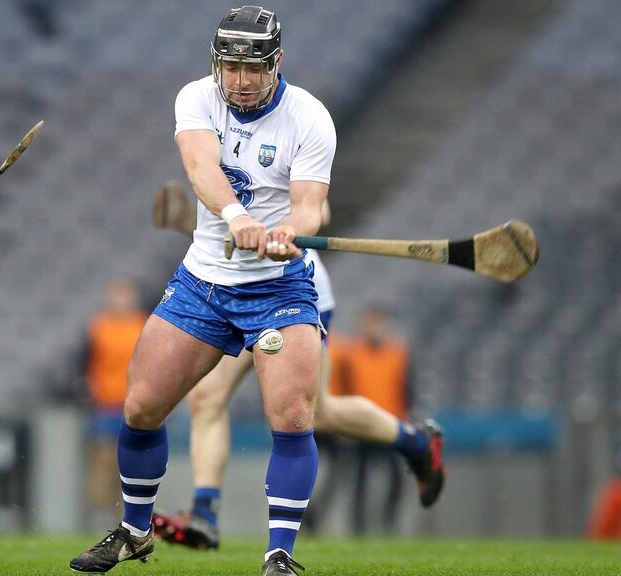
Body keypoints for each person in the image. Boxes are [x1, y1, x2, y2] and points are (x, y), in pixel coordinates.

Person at [72, 7, 333, 574]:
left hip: (278, 288)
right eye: (229, 65)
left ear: (277, 63)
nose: (239, 80)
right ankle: (135, 530)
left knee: (290, 416)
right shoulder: (197, 96)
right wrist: (237, 215)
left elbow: (312, 201)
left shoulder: (309, 118)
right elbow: (199, 167)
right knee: (141, 405)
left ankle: (280, 554)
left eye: (253, 68)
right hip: (205, 280)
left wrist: (295, 230)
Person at [150, 184, 443, 547]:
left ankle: (415, 442)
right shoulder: (216, 151)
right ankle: (204, 513)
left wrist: (287, 230)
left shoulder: (289, 137)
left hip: (295, 291)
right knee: (207, 395)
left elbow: (319, 212)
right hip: (241, 291)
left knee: (316, 414)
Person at [327, 305, 416, 534]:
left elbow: (408, 390)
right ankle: (359, 527)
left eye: (378, 322)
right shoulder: (352, 354)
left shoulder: (397, 354)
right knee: (360, 480)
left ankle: (388, 522)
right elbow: (344, 391)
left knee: (397, 479)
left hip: (390, 424)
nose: (374, 327)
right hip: (363, 427)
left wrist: (406, 420)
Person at [82, 278, 148, 529]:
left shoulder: (143, 325)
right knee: (103, 460)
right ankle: (99, 513)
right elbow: (85, 362)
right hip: (105, 403)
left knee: (131, 462)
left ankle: (130, 514)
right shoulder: (98, 327)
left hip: (135, 402)